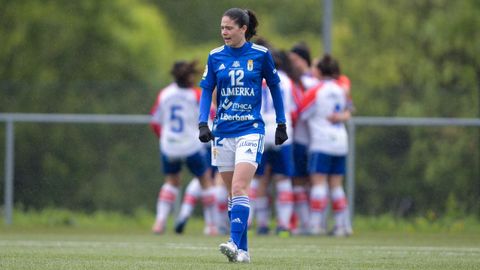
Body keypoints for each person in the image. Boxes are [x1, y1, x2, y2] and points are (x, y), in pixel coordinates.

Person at [198, 8, 287, 263]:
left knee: (239, 187)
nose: (224, 32)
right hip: (223, 131)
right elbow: (206, 90)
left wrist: (281, 123)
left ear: (243, 29)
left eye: (229, 27)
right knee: (232, 194)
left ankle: (234, 243)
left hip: (251, 129)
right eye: (222, 27)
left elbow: (275, 87)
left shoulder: (260, 55)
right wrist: (203, 122)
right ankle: (244, 252)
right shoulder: (215, 57)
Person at [150, 60, 214, 235]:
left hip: (169, 146)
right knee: (205, 181)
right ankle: (211, 226)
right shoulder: (196, 95)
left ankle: (159, 222)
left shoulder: (164, 94)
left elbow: (155, 122)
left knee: (171, 182)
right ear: (189, 76)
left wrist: (164, 138)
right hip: (192, 146)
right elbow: (212, 115)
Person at [297, 54, 353, 236]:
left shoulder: (315, 90)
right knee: (336, 185)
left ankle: (315, 225)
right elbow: (349, 110)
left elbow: (302, 112)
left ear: (320, 70)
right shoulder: (341, 88)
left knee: (319, 183)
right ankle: (342, 226)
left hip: (321, 141)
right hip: (340, 141)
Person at [252, 49, 295, 236]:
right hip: (281, 131)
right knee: (283, 179)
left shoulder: (255, 77)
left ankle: (260, 224)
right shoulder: (287, 81)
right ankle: (284, 225)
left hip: (260, 131)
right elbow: (294, 108)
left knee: (259, 179)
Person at [288, 42, 319, 235]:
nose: (292, 64)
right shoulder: (296, 81)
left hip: (312, 140)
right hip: (300, 139)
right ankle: (306, 224)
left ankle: (313, 223)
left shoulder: (311, 83)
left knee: (312, 182)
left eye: (295, 60)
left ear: (304, 60)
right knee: (299, 182)